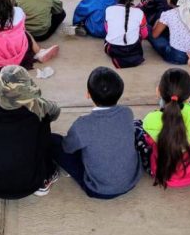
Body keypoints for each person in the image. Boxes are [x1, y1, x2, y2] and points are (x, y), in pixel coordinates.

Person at [52, 67, 141, 198]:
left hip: (99, 190)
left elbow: (67, 148)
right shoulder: (127, 112)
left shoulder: (82, 124)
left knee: (53, 141)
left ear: (88, 94)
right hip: (131, 180)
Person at [0, 66, 61, 198]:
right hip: (32, 181)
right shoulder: (38, 106)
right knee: (44, 121)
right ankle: (45, 177)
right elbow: (56, 111)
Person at [137, 68, 190, 188]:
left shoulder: (150, 120)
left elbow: (150, 142)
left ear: (158, 91)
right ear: (189, 96)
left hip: (164, 174)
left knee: (137, 129)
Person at [149, 0, 190, 65]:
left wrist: (157, 22)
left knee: (150, 32)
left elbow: (155, 35)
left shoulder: (168, 14)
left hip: (178, 56)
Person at [104, 0, 147, 68]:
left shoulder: (109, 10)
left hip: (113, 50)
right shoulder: (139, 12)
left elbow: (107, 30)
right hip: (134, 49)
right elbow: (144, 35)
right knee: (142, 29)